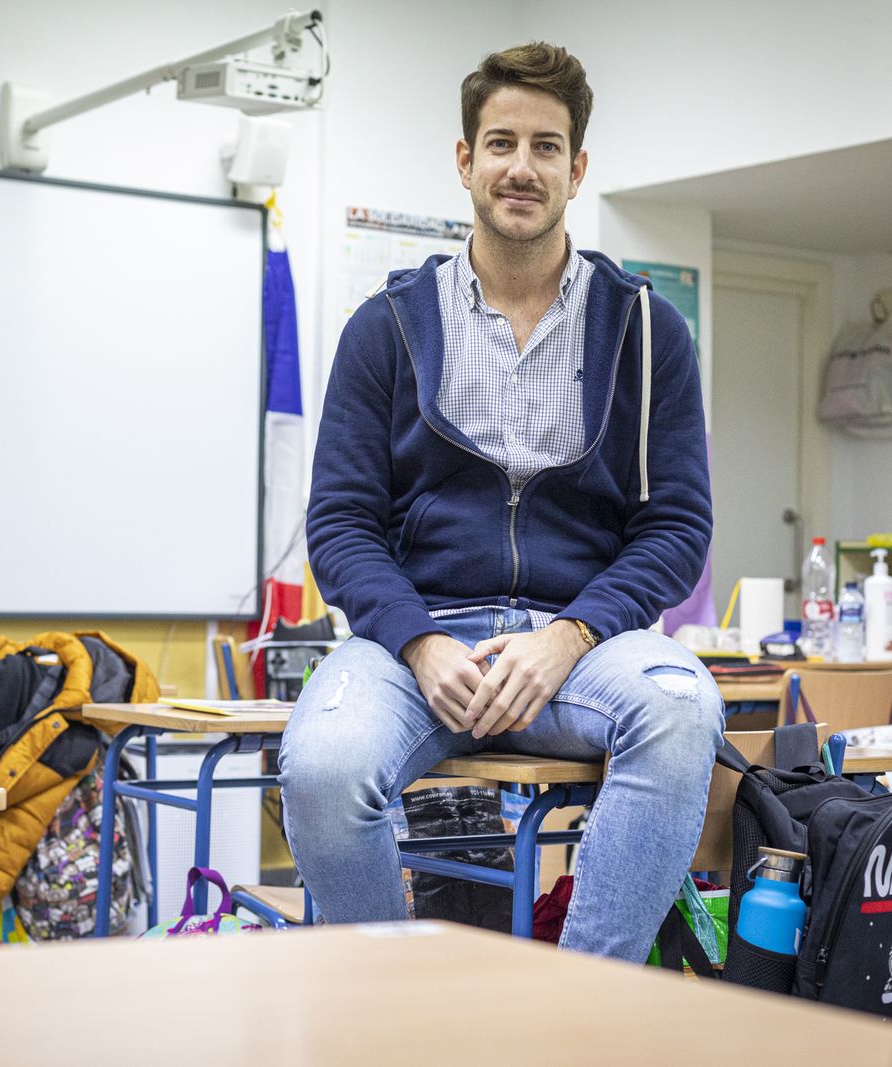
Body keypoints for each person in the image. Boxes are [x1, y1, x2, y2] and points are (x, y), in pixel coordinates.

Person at [278, 41, 724, 962]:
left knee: (682, 712)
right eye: (502, 142)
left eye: (547, 146)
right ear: (466, 159)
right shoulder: (388, 326)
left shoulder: (647, 328)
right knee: (323, 767)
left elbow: (677, 524)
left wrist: (570, 636)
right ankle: (391, 1021)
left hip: (583, 644)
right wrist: (418, 638)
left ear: (578, 168)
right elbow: (341, 524)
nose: (523, 166)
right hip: (417, 647)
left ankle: (580, 1013)